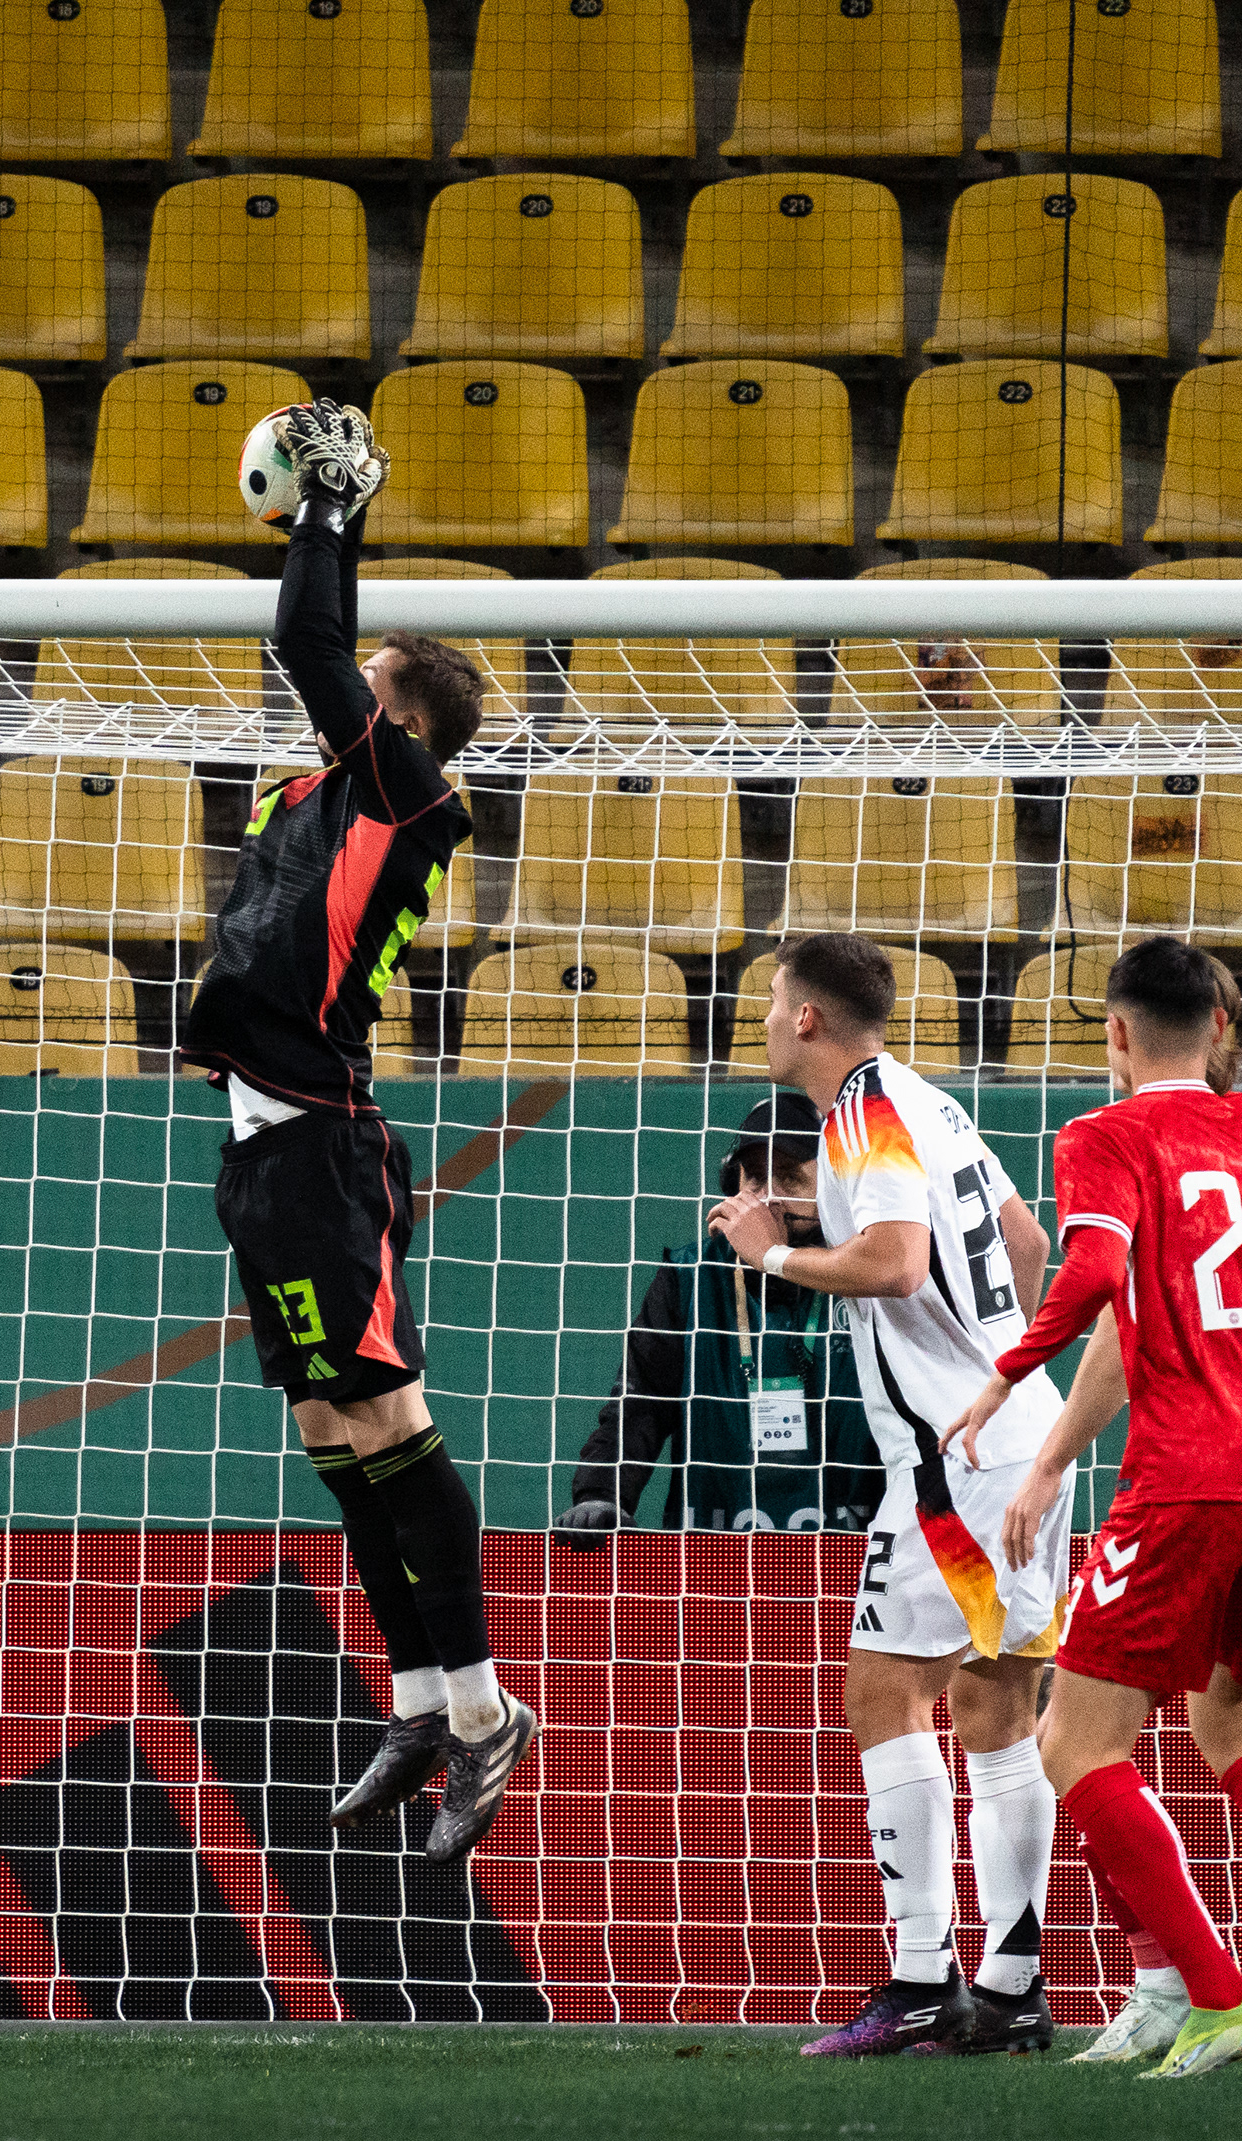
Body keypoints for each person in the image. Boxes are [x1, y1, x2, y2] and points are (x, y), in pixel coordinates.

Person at [182, 398, 536, 1866]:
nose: (336, 704)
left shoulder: (408, 792)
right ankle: (417, 1702)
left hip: (327, 1141)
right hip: (265, 1146)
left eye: (368, 694)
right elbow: (328, 665)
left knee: (391, 1422)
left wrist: (328, 512)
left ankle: (486, 1711)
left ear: (396, 723)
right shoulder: (336, 794)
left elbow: (313, 649)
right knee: (331, 1427)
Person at [708, 933, 1072, 2057]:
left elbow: (900, 1263)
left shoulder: (857, 1117)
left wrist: (773, 1253)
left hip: (956, 1466)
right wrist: (995, 1353)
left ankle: (923, 1975)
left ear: (810, 1018)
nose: (765, 1018)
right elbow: (1024, 1235)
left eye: (773, 1000)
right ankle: (1006, 1993)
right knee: (994, 1710)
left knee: (886, 1695)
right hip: (1022, 1432)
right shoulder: (932, 1101)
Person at [944, 936, 1242, 2079]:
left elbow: (1087, 1281)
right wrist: (1056, 1460)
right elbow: (1132, 1323)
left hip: (1187, 1481)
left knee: (1072, 1738)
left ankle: (1213, 1993)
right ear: (1219, 1027)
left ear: (1113, 1035)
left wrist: (1006, 1378)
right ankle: (1171, 1993)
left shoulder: (1106, 1138)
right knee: (1224, 1722)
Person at [554, 1092, 883, 1542]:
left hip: (853, 1554)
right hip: (713, 1560)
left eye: (788, 1177)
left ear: (834, 1188)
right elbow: (641, 1403)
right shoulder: (689, 1278)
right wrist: (602, 1493)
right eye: (753, 1179)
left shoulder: (873, 1273)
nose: (766, 1199)